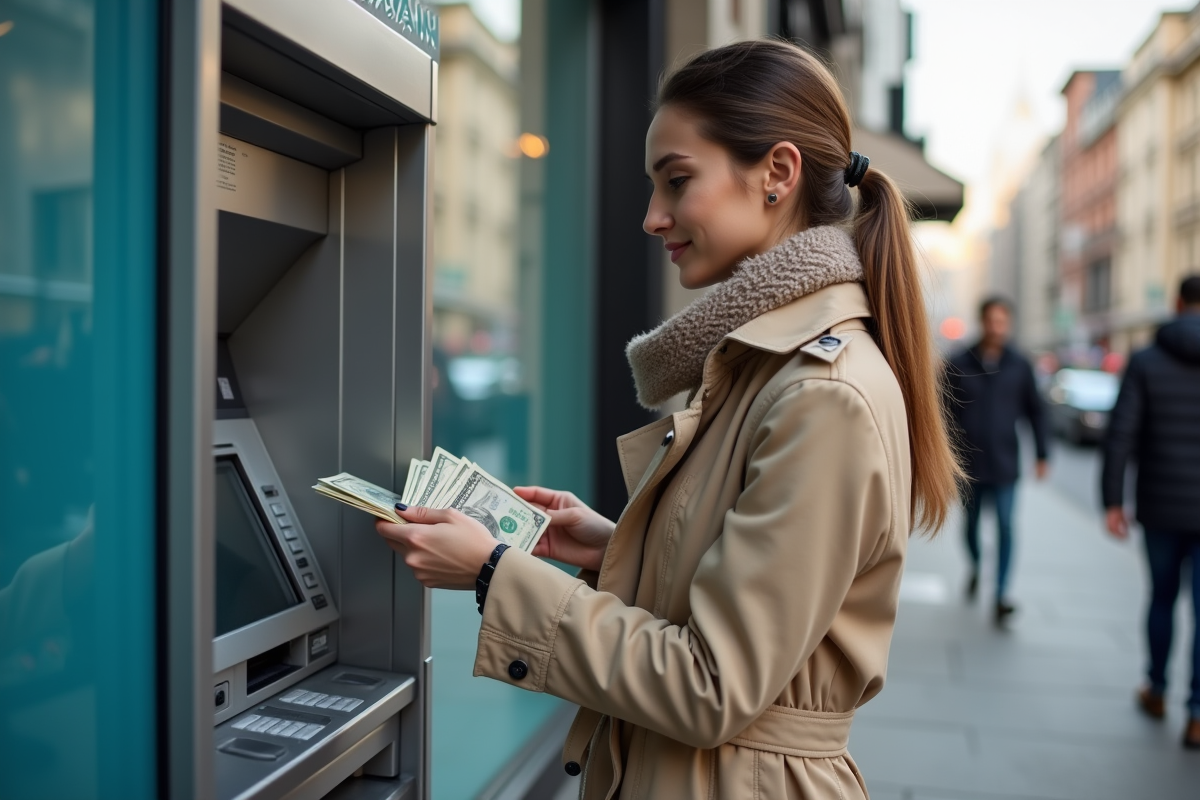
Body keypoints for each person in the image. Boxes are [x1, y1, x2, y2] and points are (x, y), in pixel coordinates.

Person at [374, 40, 962, 799]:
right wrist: (615, 548)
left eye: (677, 181)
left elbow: (711, 683)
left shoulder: (821, 393)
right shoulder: (763, 362)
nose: (653, 218)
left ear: (777, 174)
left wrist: (494, 573)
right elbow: (751, 589)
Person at [1102, 274, 1200, 750]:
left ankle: (1157, 689)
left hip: (1161, 504)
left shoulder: (1145, 360)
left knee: (1162, 599)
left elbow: (1121, 433)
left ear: (1177, 303)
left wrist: (1113, 500)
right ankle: (1198, 713)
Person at [945, 297, 1049, 624]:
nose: (996, 327)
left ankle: (1002, 593)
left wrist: (1043, 453)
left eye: (1002, 321)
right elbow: (943, 413)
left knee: (1005, 525)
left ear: (1009, 324)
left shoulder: (1020, 365)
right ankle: (976, 564)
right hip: (969, 465)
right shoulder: (959, 361)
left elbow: (1037, 411)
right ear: (982, 321)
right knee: (971, 527)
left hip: (1005, 463)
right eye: (991, 320)